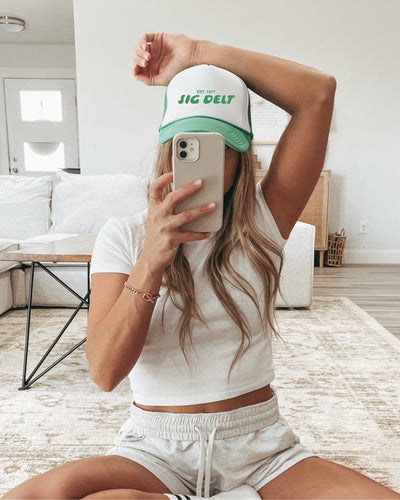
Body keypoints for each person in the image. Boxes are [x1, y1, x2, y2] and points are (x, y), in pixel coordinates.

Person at [3, 32, 399, 500]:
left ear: (242, 155)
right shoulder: (124, 235)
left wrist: (195, 55)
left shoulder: (265, 219)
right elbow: (105, 373)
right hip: (154, 452)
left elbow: (318, 93)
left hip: (261, 452)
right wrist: (152, 259)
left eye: (222, 147)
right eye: (189, 144)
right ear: (168, 147)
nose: (207, 163)